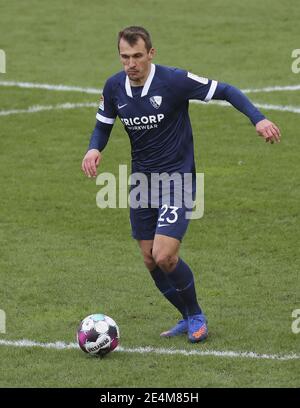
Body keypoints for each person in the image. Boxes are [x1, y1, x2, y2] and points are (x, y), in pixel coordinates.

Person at [81, 26, 281, 343]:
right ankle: (187, 317)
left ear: (150, 54)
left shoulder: (173, 81)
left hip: (177, 178)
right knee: (149, 258)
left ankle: (196, 314)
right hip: (141, 183)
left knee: (164, 256)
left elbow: (226, 90)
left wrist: (258, 118)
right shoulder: (114, 87)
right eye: (124, 57)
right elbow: (102, 125)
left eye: (136, 56)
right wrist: (94, 148)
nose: (130, 64)